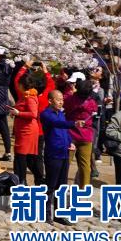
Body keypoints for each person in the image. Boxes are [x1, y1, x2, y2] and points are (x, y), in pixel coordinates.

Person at [40, 90, 82, 223]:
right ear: (50, 101)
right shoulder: (46, 114)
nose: (61, 102)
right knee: (51, 185)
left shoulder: (61, 114)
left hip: (64, 153)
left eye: (62, 100)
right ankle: (46, 214)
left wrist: (70, 142)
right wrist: (74, 123)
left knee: (62, 186)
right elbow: (57, 124)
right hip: (53, 154)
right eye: (58, 100)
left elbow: (65, 130)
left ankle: (59, 215)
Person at [10, 71, 44, 185]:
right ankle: (21, 179)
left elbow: (33, 113)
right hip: (23, 129)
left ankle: (22, 180)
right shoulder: (25, 95)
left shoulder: (30, 97)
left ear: (23, 84)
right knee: (22, 156)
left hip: (27, 130)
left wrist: (18, 113)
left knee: (22, 155)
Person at [65, 79, 98, 187]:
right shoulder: (92, 103)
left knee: (65, 163)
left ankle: (61, 186)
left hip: (70, 134)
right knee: (85, 165)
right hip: (86, 136)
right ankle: (84, 188)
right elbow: (95, 112)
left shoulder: (70, 100)